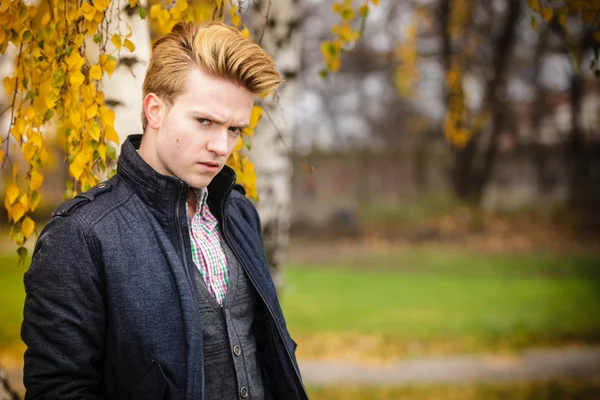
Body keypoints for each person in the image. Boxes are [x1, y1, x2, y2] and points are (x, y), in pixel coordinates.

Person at [21, 21, 308, 400]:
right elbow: (59, 390)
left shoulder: (237, 212)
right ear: (155, 110)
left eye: (235, 129)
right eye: (204, 121)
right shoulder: (81, 236)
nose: (222, 146)